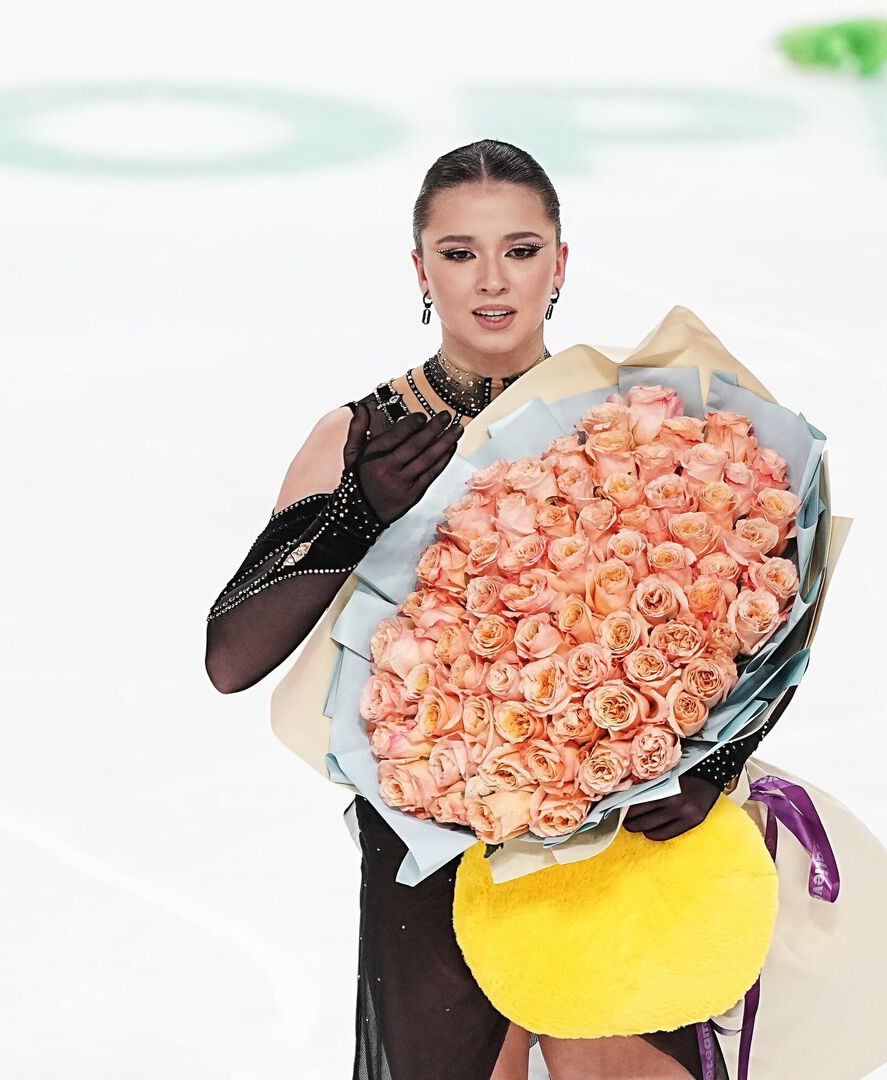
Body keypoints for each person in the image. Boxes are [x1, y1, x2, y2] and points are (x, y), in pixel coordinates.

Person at [204, 139, 794, 1080]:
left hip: (619, 832)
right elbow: (231, 655)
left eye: (520, 251)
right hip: (435, 845)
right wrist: (357, 515)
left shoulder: (635, 423)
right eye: (459, 252)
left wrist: (712, 763)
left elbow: (746, 617)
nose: (491, 280)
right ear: (420, 268)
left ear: (560, 264)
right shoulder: (364, 435)